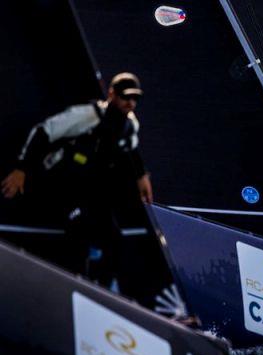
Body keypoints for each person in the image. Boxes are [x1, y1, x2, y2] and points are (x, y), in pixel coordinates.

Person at [0, 72, 152, 284]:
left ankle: (107, 294)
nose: (131, 103)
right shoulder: (87, 115)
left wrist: (142, 176)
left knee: (115, 241)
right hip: (60, 184)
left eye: (135, 98)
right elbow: (44, 131)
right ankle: (76, 288)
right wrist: (21, 169)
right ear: (111, 94)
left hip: (91, 191)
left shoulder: (130, 125)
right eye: (126, 97)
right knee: (79, 237)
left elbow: (131, 149)